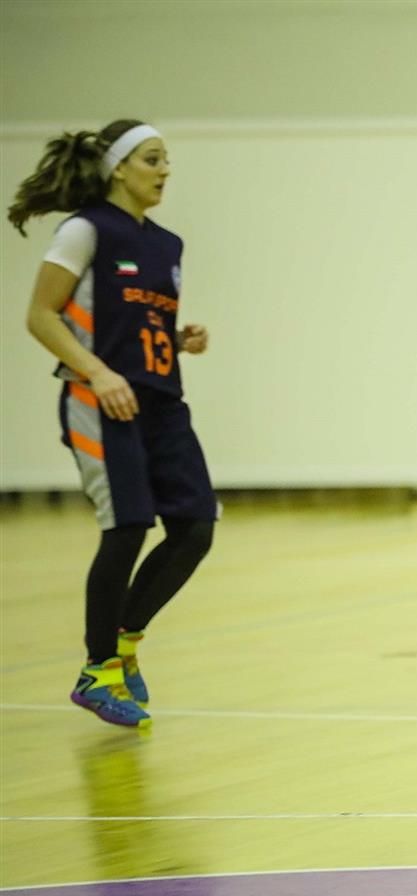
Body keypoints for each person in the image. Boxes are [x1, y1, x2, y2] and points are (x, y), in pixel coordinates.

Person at [9, 120, 215, 728]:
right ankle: (96, 670)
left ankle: (124, 647)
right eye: (153, 159)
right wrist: (97, 374)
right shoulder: (84, 230)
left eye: (167, 160)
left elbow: (130, 325)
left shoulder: (168, 244)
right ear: (118, 168)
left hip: (161, 403)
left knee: (195, 526)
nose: (164, 170)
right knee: (126, 527)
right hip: (100, 401)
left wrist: (177, 339)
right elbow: (41, 316)